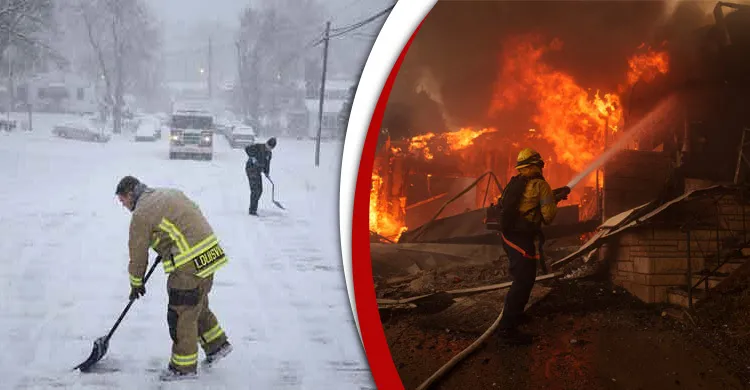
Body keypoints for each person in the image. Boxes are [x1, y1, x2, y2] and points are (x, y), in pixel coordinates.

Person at [115, 176, 232, 381]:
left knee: (181, 313)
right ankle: (217, 345)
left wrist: (136, 283)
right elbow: (188, 216)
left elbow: (138, 253)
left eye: (122, 200)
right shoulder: (168, 193)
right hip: (211, 253)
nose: (123, 205)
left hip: (189, 262)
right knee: (197, 304)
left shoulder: (141, 214)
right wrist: (169, 242)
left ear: (131, 193)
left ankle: (182, 368)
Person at [496, 148, 568, 346]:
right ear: (537, 165)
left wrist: (554, 196)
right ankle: (506, 329)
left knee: (527, 277)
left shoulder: (517, 182)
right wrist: (553, 200)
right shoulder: (540, 185)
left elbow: (529, 203)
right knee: (522, 279)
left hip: (511, 235)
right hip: (519, 237)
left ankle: (516, 315)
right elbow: (548, 217)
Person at [244, 137, 276, 216]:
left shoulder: (269, 154)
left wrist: (266, 172)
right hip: (251, 169)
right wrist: (252, 157)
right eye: (269, 146)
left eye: (271, 148)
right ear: (267, 143)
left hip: (257, 171)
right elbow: (247, 149)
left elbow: (267, 164)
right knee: (255, 190)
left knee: (260, 190)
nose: (269, 148)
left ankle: (253, 206)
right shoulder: (258, 147)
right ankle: (252, 210)